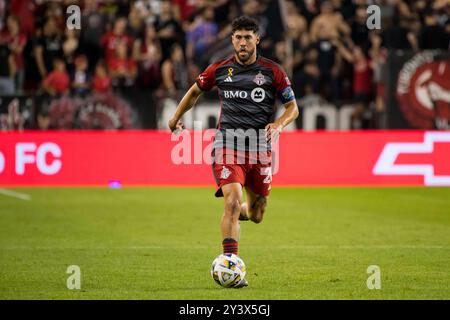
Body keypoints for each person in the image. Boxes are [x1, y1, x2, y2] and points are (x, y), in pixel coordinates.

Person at [167, 16, 299, 287]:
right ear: (232, 40)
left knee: (257, 213)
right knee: (230, 201)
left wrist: (279, 123)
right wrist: (174, 117)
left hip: (260, 150)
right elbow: (194, 92)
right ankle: (231, 265)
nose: (242, 42)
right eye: (238, 37)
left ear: (257, 40)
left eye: (248, 37)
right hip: (227, 144)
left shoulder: (273, 72)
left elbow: (293, 108)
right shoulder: (219, 69)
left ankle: (240, 210)